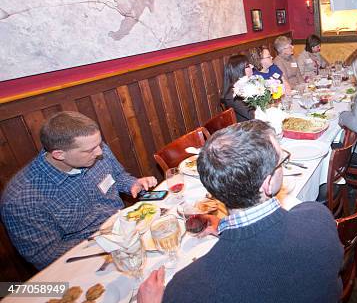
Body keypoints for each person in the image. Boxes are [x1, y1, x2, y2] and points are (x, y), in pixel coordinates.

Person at [137, 120, 343, 303]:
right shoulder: (317, 217)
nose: (283, 165)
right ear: (267, 184)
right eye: (281, 162)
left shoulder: (187, 288)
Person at [0, 111, 157, 269]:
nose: (100, 152)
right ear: (59, 154)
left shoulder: (93, 149)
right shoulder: (21, 198)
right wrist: (105, 240)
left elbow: (118, 176)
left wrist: (132, 184)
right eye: (91, 150)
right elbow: (45, 255)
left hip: (128, 231)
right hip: (89, 260)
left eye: (99, 144)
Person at [221, 54, 254, 122]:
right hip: (247, 128)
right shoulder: (232, 95)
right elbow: (252, 115)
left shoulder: (249, 84)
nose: (252, 66)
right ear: (239, 70)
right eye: (247, 66)